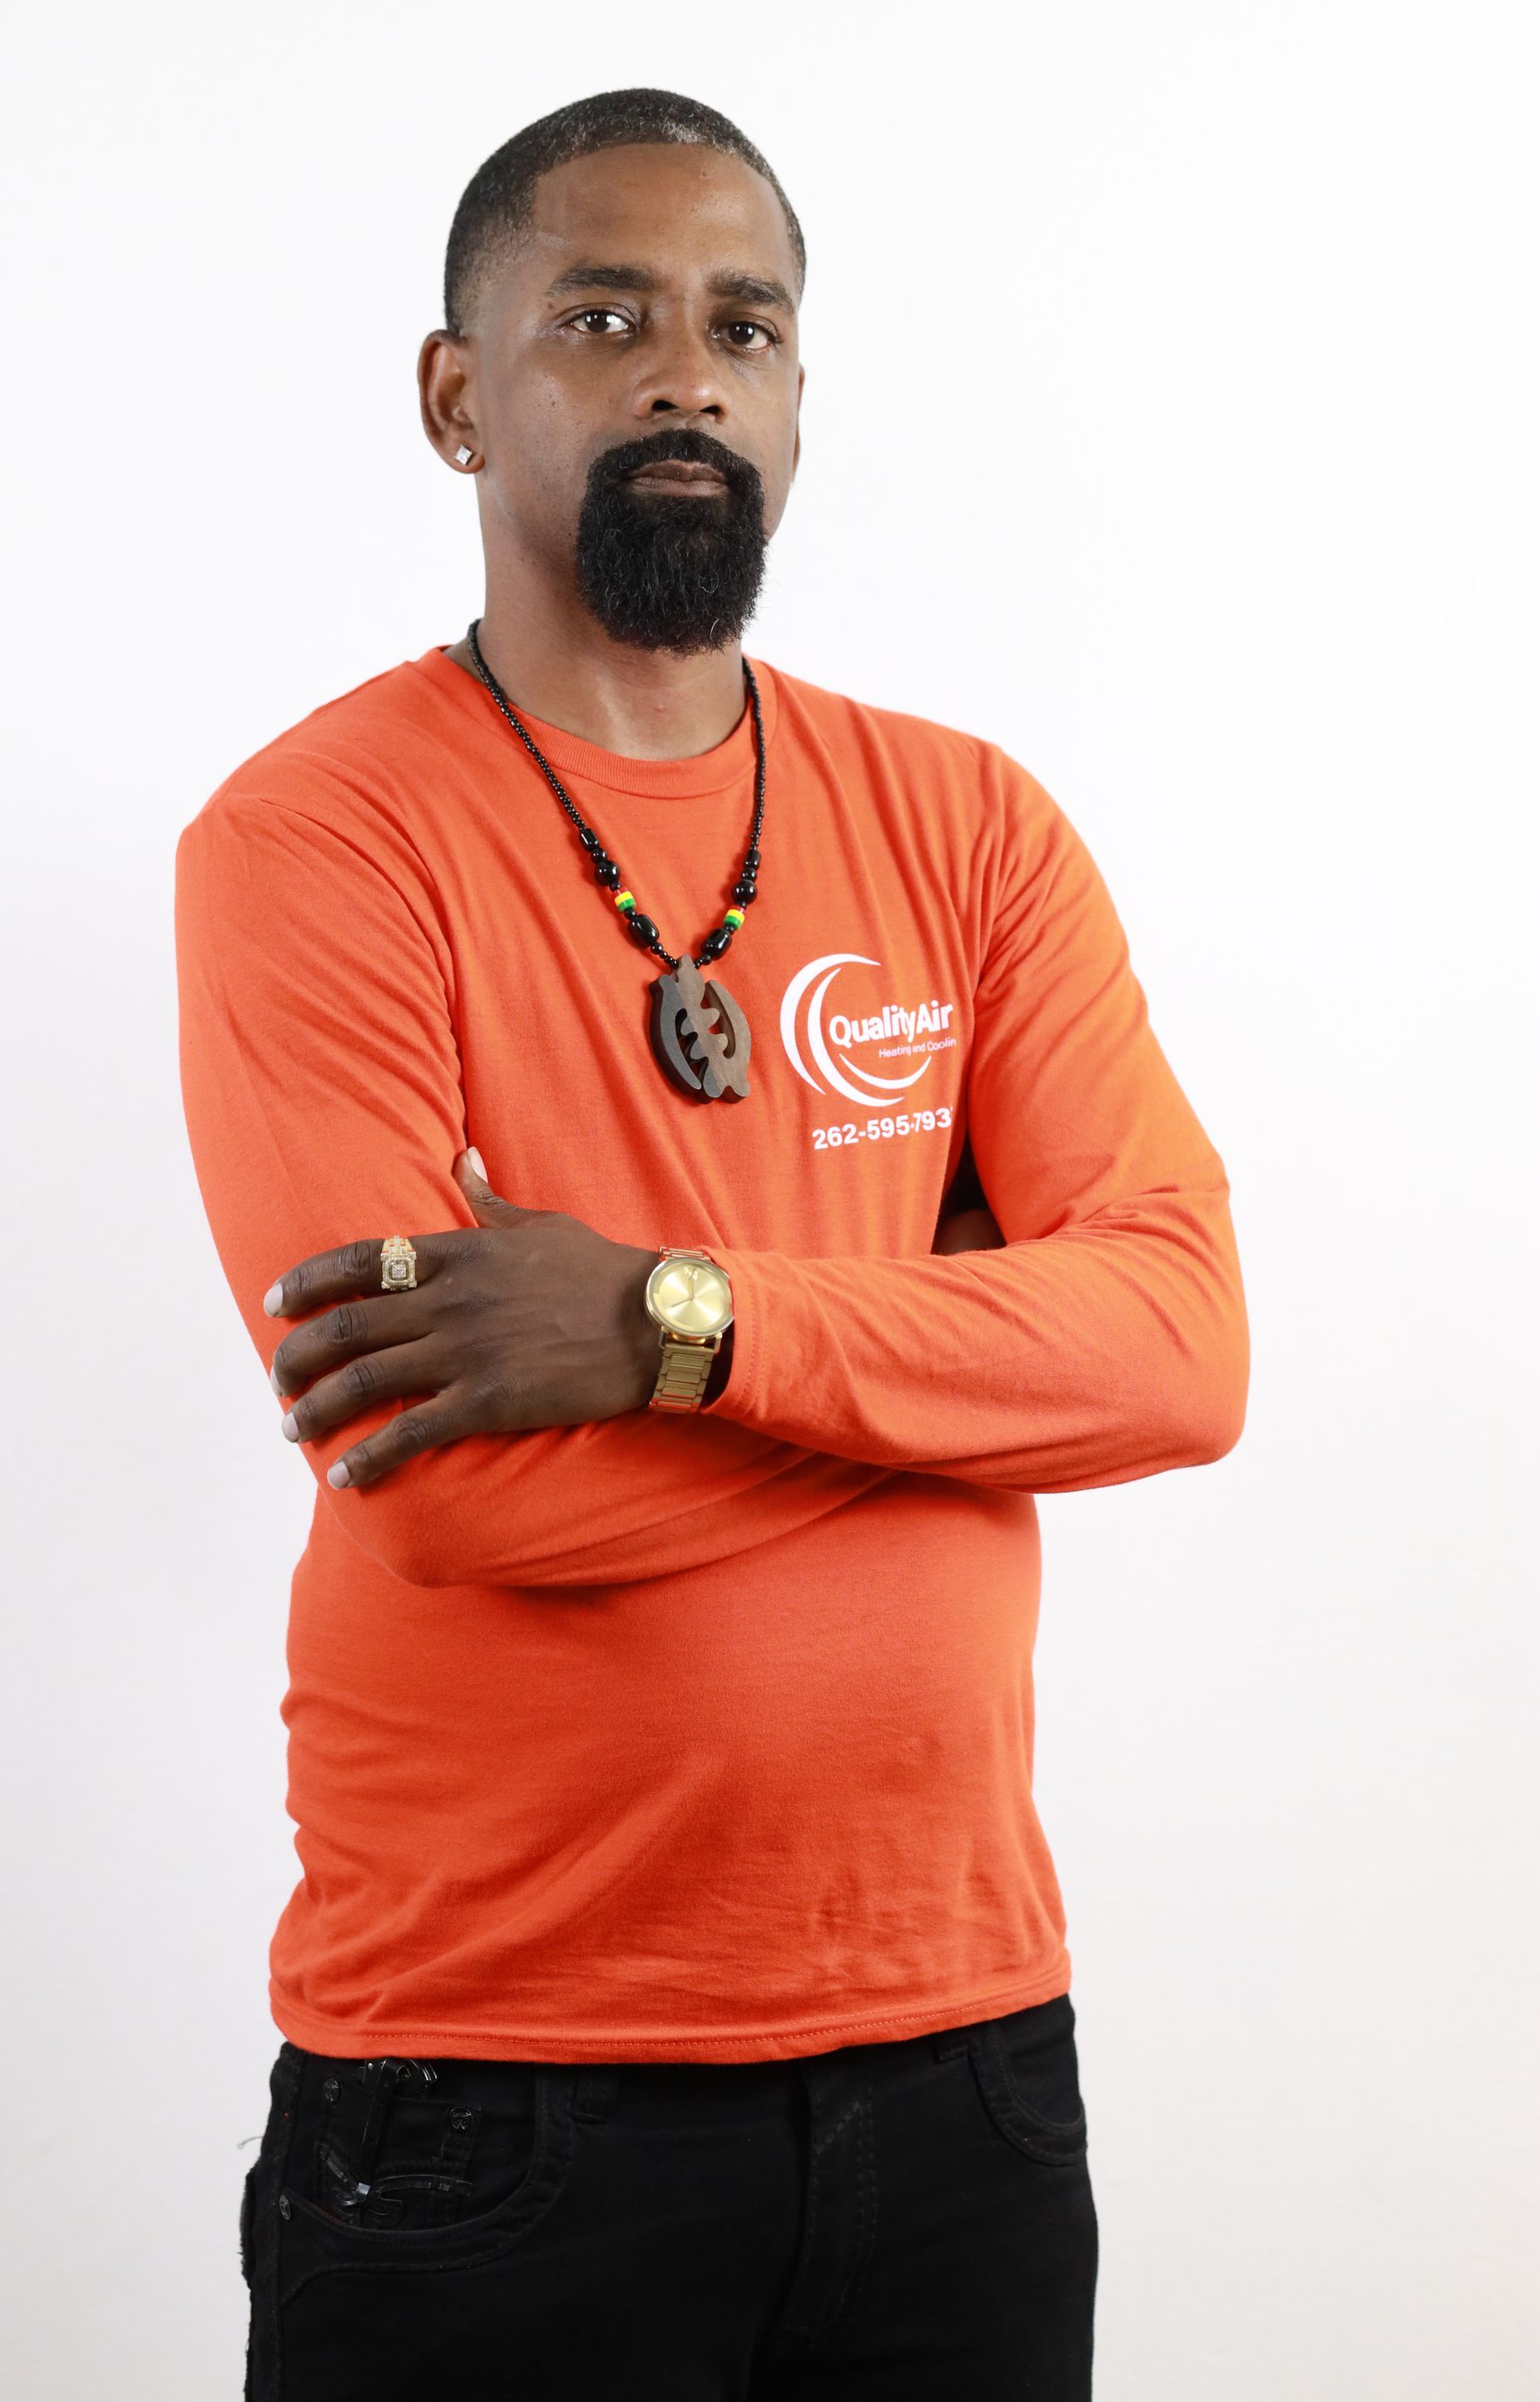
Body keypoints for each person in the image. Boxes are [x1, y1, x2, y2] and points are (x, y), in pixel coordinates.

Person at [174, 85, 1249, 2402]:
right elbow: (453, 1485)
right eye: (605, 317)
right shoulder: (316, 841)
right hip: (491, 2093)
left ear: (794, 394)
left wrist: (664, 1322)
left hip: (965, 2063)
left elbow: (1180, 1349)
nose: (687, 375)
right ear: (458, 397)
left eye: (744, 327)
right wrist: (966, 1366)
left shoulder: (969, 825)